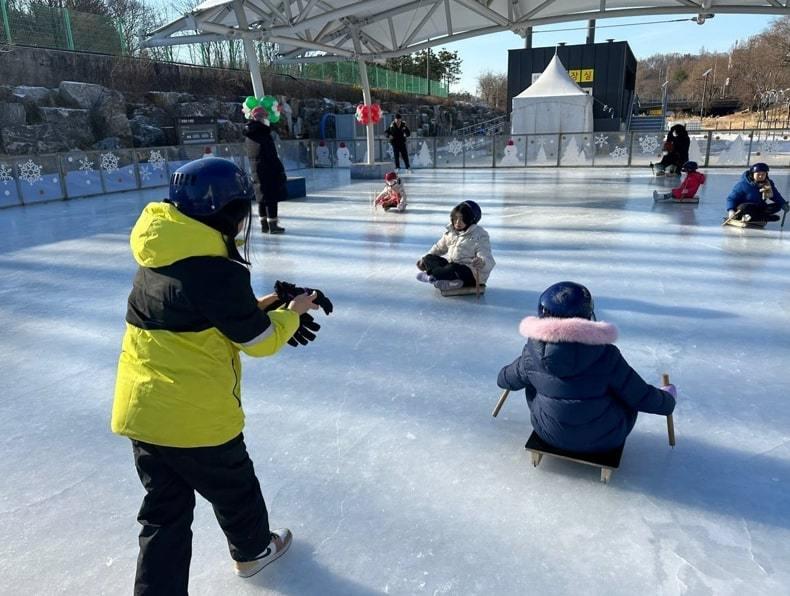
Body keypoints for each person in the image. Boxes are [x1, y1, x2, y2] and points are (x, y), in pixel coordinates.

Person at [112, 157, 333, 594]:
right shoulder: (216, 269)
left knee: (163, 513)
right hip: (196, 419)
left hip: (143, 412)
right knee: (236, 489)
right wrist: (291, 313)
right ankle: (253, 553)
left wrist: (272, 299)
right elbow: (259, 342)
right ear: (227, 211)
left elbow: (208, 316)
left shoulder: (162, 249)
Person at [496, 282, 676, 454]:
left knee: (533, 381)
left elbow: (505, 379)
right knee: (624, 394)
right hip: (605, 438)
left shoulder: (531, 354)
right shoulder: (607, 355)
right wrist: (667, 398)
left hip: (548, 433)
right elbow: (640, 396)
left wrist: (507, 374)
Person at [416, 200, 495, 292]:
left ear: (471, 220)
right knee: (429, 258)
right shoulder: (451, 232)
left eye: (462, 219)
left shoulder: (480, 235)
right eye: (455, 218)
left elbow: (487, 256)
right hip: (452, 269)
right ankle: (450, 282)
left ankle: (432, 277)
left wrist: (482, 262)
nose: (458, 222)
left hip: (470, 274)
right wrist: (424, 261)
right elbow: (438, 248)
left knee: (452, 268)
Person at [244, 106, 287, 234]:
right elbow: (271, 155)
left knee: (261, 197)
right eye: (265, 117)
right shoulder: (263, 134)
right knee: (271, 198)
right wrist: (279, 169)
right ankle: (273, 224)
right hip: (268, 169)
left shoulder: (249, 134)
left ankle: (264, 225)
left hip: (255, 169)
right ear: (261, 118)